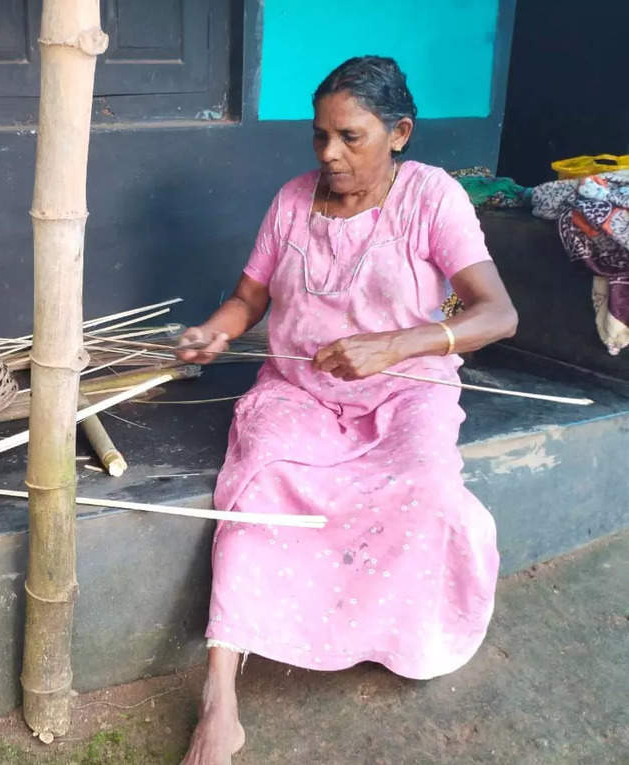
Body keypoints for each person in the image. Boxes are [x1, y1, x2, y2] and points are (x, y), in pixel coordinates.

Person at [177, 56, 518, 765]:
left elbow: (498, 314)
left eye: (350, 136)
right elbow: (249, 299)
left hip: (406, 391)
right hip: (299, 388)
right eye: (319, 136)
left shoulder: (432, 198)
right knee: (257, 482)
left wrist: (395, 346)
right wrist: (216, 330)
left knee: (425, 490)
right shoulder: (292, 200)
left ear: (400, 133)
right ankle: (220, 694)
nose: (328, 153)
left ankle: (385, 631)